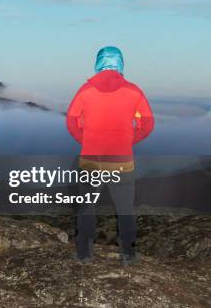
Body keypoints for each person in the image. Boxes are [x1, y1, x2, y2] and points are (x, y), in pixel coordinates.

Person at [66, 46, 154, 265]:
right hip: (122, 162)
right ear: (121, 64)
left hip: (90, 161)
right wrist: (128, 140)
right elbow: (147, 123)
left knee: (87, 207)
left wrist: (86, 141)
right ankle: (128, 254)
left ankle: (84, 254)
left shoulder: (85, 91)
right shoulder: (134, 92)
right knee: (125, 209)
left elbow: (71, 121)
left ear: (98, 63)